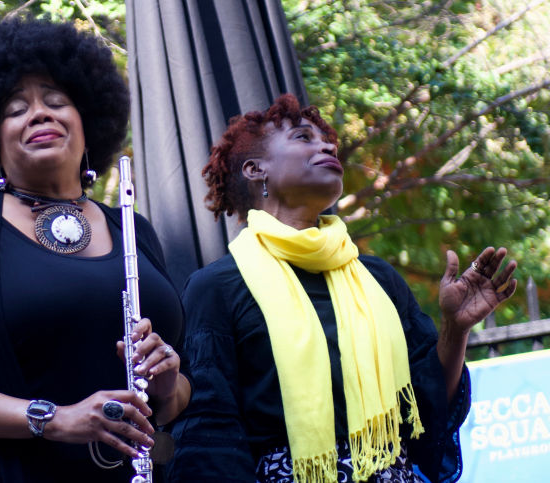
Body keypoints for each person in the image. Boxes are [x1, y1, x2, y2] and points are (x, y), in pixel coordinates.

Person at [0, 17, 191, 481]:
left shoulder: (135, 231)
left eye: (57, 101)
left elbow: (182, 387)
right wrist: (55, 419)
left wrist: (169, 387)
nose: (40, 114)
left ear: (89, 123)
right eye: (15, 109)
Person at [167, 94, 517, 483]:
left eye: (328, 140)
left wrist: (455, 329)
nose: (328, 145)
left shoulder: (377, 278)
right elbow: (210, 436)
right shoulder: (216, 287)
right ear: (255, 169)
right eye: (303, 137)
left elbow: (427, 414)